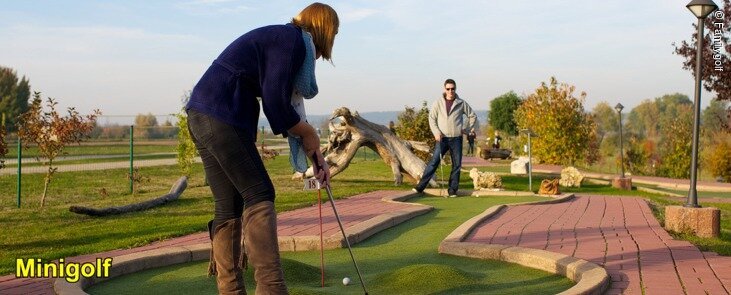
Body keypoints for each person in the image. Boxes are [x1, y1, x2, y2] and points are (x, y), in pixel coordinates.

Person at [185, 3, 337, 294]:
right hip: (222, 113)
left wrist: (314, 152)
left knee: (229, 205)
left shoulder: (282, 39)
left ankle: (230, 290)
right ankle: (272, 288)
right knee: (260, 193)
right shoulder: (291, 41)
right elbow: (276, 104)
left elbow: (287, 106)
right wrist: (307, 132)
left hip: (201, 113)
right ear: (324, 30)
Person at [412, 79, 477, 198]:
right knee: (433, 163)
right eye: (448, 89)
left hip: (456, 138)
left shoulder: (461, 103)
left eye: (452, 89)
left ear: (455, 89)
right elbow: (431, 119)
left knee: (457, 165)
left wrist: (466, 129)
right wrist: (436, 133)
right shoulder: (438, 103)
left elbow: (472, 116)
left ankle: (452, 190)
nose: (450, 91)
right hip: (442, 139)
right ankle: (420, 187)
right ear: (444, 89)